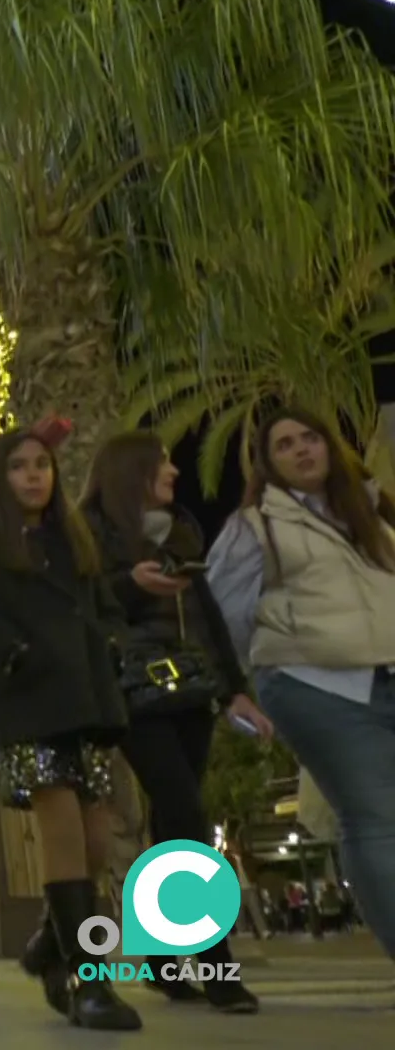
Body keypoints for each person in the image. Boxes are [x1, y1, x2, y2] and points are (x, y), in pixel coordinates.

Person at [0, 426, 141, 1032]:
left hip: (90, 704)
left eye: (42, 464)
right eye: (20, 466)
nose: (33, 475)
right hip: (29, 704)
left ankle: (50, 944)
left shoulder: (71, 537)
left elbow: (104, 602)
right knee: (63, 836)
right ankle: (90, 980)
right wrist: (12, 649)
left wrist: (112, 641)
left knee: (97, 839)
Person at [81, 431, 267, 1011]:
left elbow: (206, 610)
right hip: (131, 691)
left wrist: (235, 689)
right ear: (131, 470)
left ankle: (161, 960)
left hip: (191, 689)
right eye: (161, 463)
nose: (173, 471)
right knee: (187, 811)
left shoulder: (182, 526)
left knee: (173, 819)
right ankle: (217, 966)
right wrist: (129, 586)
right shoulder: (90, 533)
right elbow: (81, 607)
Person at [208, 408, 395, 962]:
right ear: (269, 464)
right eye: (285, 444)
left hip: (385, 673)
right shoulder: (255, 525)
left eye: (310, 438)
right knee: (375, 817)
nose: (302, 450)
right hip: (315, 683)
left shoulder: (372, 511)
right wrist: (240, 683)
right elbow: (221, 614)